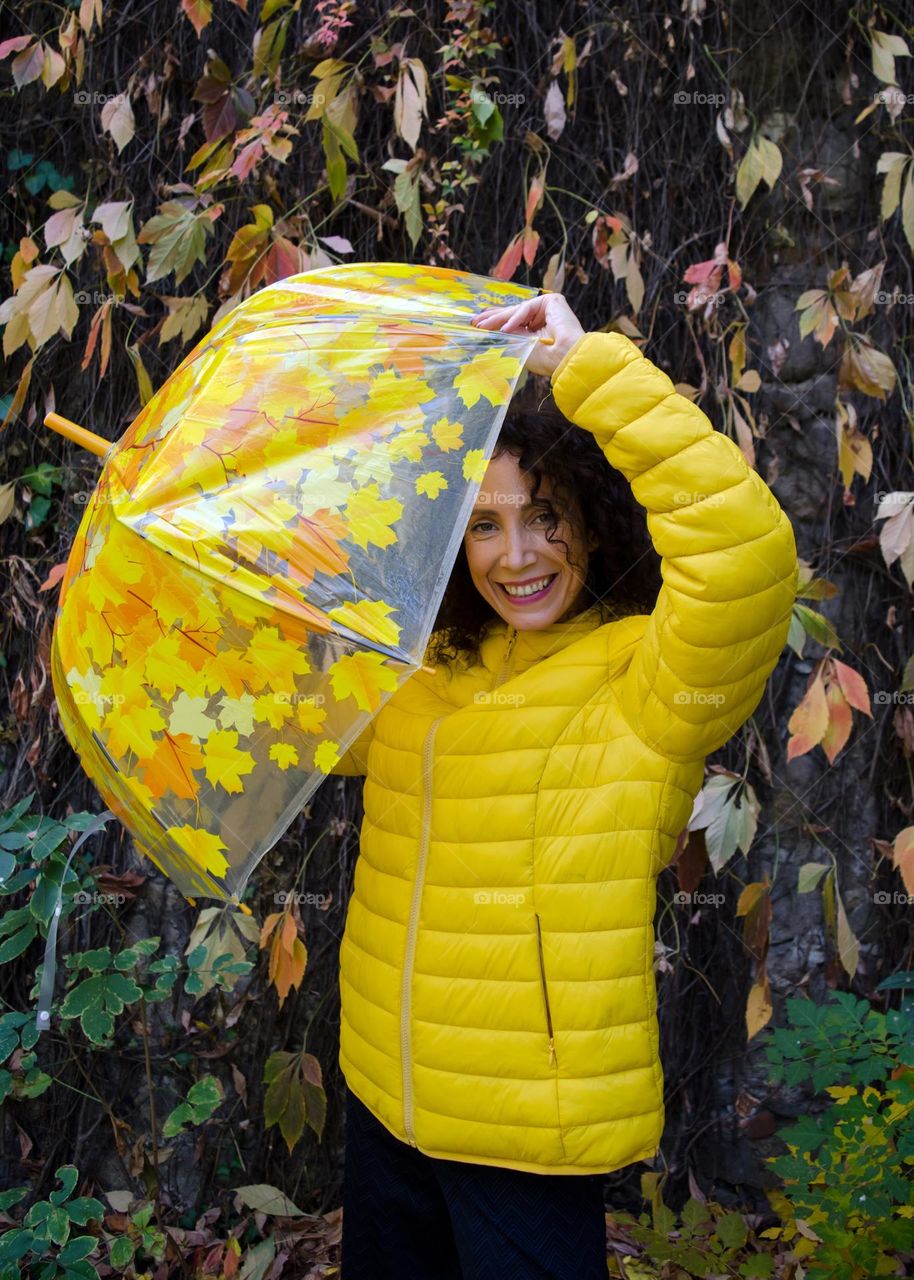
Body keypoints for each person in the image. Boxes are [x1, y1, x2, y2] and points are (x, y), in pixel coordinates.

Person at [330, 294, 799, 1279]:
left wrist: (587, 366)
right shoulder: (426, 666)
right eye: (485, 524)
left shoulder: (648, 679)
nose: (516, 555)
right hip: (382, 1095)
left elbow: (748, 559)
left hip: (524, 1131)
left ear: (592, 513)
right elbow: (301, 729)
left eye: (545, 516)